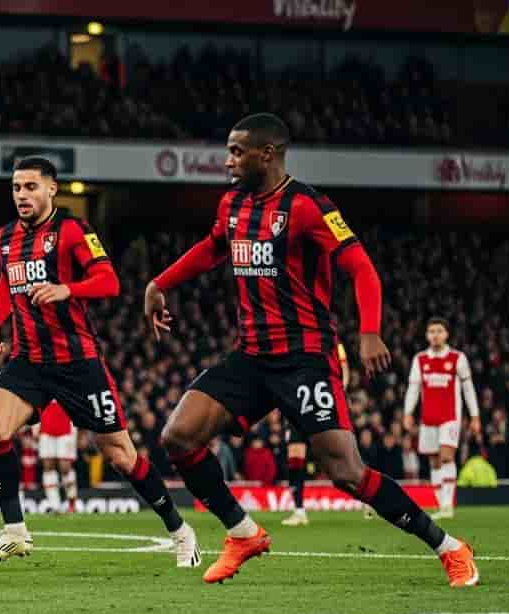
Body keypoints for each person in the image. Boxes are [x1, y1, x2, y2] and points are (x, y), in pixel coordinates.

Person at [145, 112, 479, 587]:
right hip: (252, 356)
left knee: (346, 472)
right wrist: (161, 282)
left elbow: (361, 268)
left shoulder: (307, 206)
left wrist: (369, 331)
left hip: (305, 358)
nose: (227, 161)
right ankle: (243, 533)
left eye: (237, 152)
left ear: (269, 153)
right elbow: (212, 247)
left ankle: (450, 547)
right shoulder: (232, 204)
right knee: (178, 437)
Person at [0, 156, 200, 567]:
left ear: (51, 189)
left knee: (120, 455)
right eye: (15, 188)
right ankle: (14, 532)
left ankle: (180, 530)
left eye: (30, 187)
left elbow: (109, 281)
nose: (21, 195)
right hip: (29, 360)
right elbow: (8, 280)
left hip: (78, 362)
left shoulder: (72, 231)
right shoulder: (3, 238)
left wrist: (67, 289)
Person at [403, 317, 480, 520]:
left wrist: (475, 416)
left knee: (447, 457)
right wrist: (408, 412)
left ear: (446, 334)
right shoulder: (420, 359)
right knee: (434, 461)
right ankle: (440, 504)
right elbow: (413, 388)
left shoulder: (457, 358)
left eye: (439, 331)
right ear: (427, 335)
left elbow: (468, 388)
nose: (435, 335)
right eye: (431, 331)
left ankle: (447, 505)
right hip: (428, 419)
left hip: (450, 417)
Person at [282, 342, 349, 526]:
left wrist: (340, 391)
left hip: (322, 404)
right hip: (297, 404)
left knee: (340, 457)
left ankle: (368, 499)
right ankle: (299, 510)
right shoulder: (291, 341)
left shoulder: (333, 343)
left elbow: (344, 367)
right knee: (295, 458)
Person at [37, 401, 80, 514]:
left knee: (65, 467)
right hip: (46, 424)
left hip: (66, 425)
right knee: (48, 466)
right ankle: (54, 505)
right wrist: (35, 426)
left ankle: (72, 503)